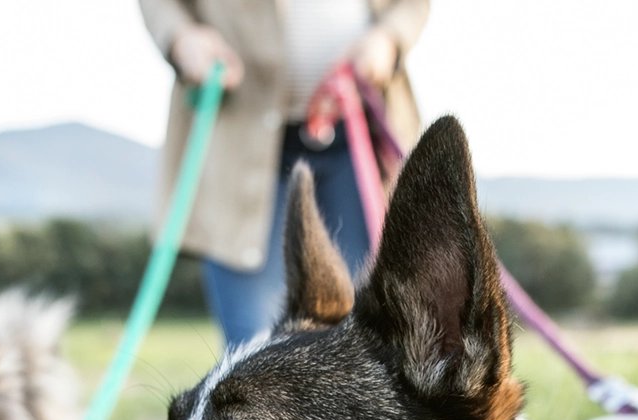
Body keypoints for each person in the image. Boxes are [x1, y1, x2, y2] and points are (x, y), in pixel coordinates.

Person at [138, 0, 428, 346]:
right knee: (251, 341)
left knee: (374, 337)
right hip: (235, 141)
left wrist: (388, 37)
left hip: (361, 136)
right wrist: (180, 36)